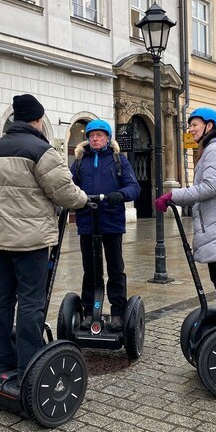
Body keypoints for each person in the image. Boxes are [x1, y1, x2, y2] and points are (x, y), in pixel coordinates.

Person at [0, 94, 87, 390]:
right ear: (37, 120)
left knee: (2, 299)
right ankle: (28, 367)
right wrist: (84, 200)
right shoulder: (42, 150)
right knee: (30, 302)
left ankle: (0, 365)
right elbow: (65, 193)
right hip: (33, 240)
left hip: (2, 238)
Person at [154, 107, 216, 325]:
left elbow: (209, 188)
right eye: (189, 125)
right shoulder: (214, 148)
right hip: (215, 220)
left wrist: (173, 196)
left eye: (194, 124)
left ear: (209, 126)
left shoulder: (215, 149)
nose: (190, 129)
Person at [71, 119, 140, 332]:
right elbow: (68, 186)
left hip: (111, 221)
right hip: (87, 222)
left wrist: (120, 194)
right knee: (90, 270)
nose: (95, 138)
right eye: (91, 135)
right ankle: (90, 311)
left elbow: (134, 187)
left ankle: (118, 312)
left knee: (115, 268)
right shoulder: (80, 162)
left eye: (99, 135)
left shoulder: (119, 160)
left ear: (108, 138)